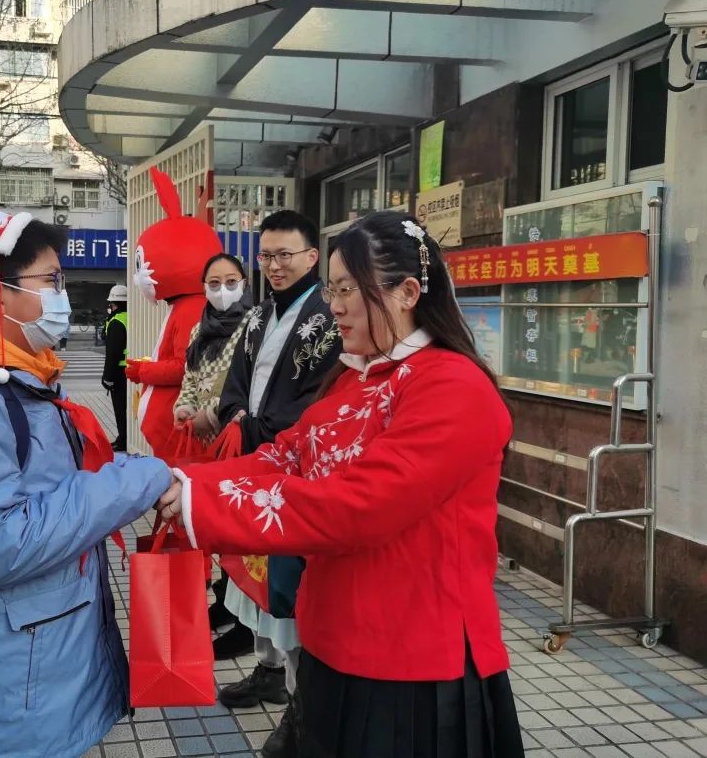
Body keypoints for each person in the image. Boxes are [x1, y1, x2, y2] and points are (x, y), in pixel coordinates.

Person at [158, 212, 525, 758]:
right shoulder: (357, 379)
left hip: (412, 664)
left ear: (407, 292)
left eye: (348, 288)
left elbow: (361, 506)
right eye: (331, 288)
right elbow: (285, 457)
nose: (334, 304)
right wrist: (176, 479)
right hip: (332, 641)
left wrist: (198, 504)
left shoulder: (453, 388)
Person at [0, 175, 172, 756]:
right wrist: (133, 481)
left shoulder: (17, 377)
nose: (62, 294)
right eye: (51, 281)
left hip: (29, 664)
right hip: (0, 685)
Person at [210, 210, 341, 758]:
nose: (275, 266)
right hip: (254, 456)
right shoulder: (260, 315)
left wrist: (261, 430)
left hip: (292, 464)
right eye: (266, 256)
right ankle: (267, 668)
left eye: (285, 255)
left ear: (313, 257)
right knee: (251, 574)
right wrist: (236, 416)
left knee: (285, 581)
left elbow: (319, 397)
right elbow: (234, 380)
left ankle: (297, 697)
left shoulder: (327, 318)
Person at [125, 167, 223, 459]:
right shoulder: (186, 305)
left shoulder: (192, 308)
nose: (138, 277)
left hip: (182, 434)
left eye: (142, 264)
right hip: (177, 432)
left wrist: (142, 371)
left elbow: (184, 366)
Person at [173, 253, 254, 443]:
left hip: (239, 436)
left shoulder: (255, 324)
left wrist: (212, 415)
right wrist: (185, 408)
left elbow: (254, 385)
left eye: (231, 281)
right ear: (205, 287)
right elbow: (191, 379)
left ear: (244, 282)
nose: (223, 289)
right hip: (204, 440)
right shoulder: (199, 330)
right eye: (215, 283)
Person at [101, 284, 129, 452]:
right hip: (131, 369)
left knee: (120, 409)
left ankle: (124, 440)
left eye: (110, 304)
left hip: (119, 372)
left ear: (115, 304)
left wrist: (107, 377)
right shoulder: (132, 316)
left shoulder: (117, 321)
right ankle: (125, 438)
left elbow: (113, 352)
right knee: (127, 408)